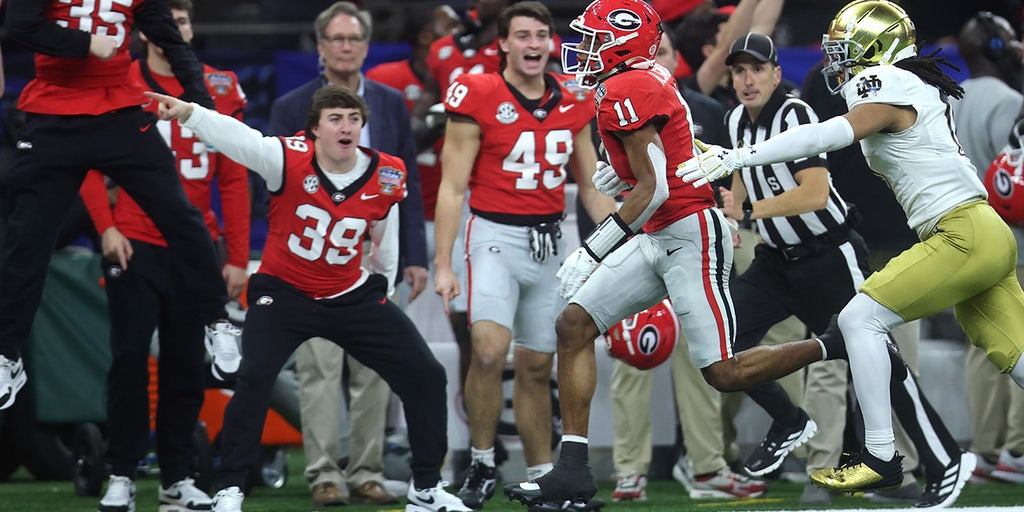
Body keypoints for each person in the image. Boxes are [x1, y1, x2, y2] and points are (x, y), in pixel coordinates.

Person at [678, 0, 1022, 504]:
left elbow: (830, 133)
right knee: (1015, 357)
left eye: (844, 50)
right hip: (981, 231)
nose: (835, 60)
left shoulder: (887, 81)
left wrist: (740, 157)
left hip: (960, 233)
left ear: (875, 49)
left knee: (858, 319)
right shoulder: (907, 83)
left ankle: (880, 455)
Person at [146, 85, 472, 512]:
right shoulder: (288, 157)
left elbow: (384, 235)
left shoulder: (386, 172)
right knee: (254, 377)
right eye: (335, 119)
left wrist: (382, 286)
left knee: (426, 375)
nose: (346, 127)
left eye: (353, 119)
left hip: (349, 292)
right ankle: (230, 488)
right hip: (285, 293)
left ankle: (426, 488)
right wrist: (191, 113)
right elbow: (239, 139)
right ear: (314, 129)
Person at [0, 0, 232, 412]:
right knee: (26, 237)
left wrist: (202, 107)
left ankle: (218, 320)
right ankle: (7, 354)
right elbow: (20, 26)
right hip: (55, 111)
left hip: (118, 111)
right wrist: (86, 43)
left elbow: (170, 39)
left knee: (178, 214)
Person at [433, 2, 616, 509]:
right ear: (503, 44)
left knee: (537, 366)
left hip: (551, 241)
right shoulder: (478, 92)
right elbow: (451, 187)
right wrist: (443, 263)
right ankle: (482, 462)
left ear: (551, 42)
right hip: (494, 236)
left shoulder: (574, 98)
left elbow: (592, 187)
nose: (533, 44)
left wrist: (629, 241)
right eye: (522, 35)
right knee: (489, 352)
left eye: (540, 34)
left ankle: (543, 478)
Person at [74, 2, 248, 510]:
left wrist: (238, 254)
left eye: (184, 21)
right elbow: (83, 156)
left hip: (194, 246)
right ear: (148, 31)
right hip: (134, 239)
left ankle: (176, 476)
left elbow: (234, 175)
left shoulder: (218, 86)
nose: (177, 30)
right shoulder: (120, 77)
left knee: (185, 363)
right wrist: (105, 225)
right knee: (129, 359)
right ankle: (122, 473)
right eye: (169, 21)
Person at [266, 2, 424, 506]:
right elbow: (271, 183)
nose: (346, 47)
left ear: (366, 46)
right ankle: (323, 474)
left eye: (354, 38)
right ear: (320, 47)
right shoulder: (292, 106)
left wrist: (415, 256)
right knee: (318, 368)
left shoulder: (390, 103)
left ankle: (367, 471)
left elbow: (407, 183)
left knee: (373, 367)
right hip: (313, 257)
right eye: (336, 39)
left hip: (375, 255)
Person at [608, 29, 766, 503]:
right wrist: (612, 242)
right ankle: (629, 470)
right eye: (649, 53)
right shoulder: (617, 102)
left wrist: (727, 223)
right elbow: (611, 183)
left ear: (677, 60)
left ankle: (707, 465)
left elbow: (729, 178)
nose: (654, 60)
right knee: (632, 353)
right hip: (639, 238)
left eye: (662, 52)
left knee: (702, 353)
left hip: (693, 238)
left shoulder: (707, 109)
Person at [951, 10, 1024, 484]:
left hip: (964, 237)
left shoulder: (949, 98)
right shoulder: (1011, 100)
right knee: (1021, 336)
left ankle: (984, 448)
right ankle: (1017, 449)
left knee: (981, 344)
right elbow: (1014, 180)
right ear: (998, 48)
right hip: (1013, 239)